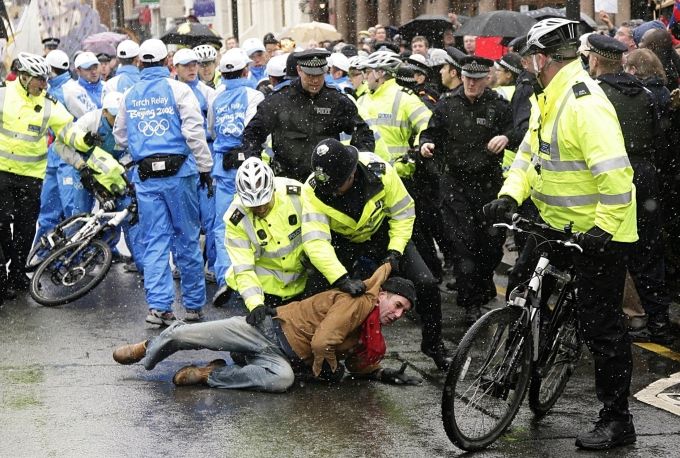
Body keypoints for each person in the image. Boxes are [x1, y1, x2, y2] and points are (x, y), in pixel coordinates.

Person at [483, 19, 637, 450]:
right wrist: (509, 196)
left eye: (531, 58)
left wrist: (602, 231)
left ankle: (617, 419)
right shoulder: (546, 98)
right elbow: (528, 155)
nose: (529, 64)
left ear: (541, 59)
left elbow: (617, 178)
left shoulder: (585, 104)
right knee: (522, 287)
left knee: (601, 328)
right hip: (555, 222)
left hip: (600, 232)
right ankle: (515, 366)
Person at [112, 263, 421, 390]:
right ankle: (147, 349)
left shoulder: (370, 329)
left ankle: (211, 373)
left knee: (281, 381)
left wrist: (379, 372)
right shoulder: (358, 302)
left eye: (403, 312)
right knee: (187, 334)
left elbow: (354, 361)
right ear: (381, 295)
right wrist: (326, 367)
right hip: (267, 329)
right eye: (396, 304)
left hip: (280, 357)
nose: (397, 314)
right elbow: (322, 342)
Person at [300, 139, 452, 370]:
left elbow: (403, 214)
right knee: (314, 291)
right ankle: (308, 351)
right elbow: (316, 241)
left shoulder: (380, 172)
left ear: (351, 175)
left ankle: (433, 345)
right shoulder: (313, 189)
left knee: (427, 283)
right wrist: (341, 279)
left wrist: (394, 252)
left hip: (384, 234)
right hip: (343, 241)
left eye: (335, 187)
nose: (331, 192)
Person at [113, 39, 214, 325]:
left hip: (146, 177)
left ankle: (159, 307)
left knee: (155, 241)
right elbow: (194, 132)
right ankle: (193, 306)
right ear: (167, 63)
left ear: (140, 63)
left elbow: (120, 136)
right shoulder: (179, 89)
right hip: (180, 175)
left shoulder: (130, 95)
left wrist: (143, 146)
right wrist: (205, 168)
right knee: (186, 238)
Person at [587, 34, 673, 345]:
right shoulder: (646, 94)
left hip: (612, 173)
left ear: (595, 61)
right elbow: (659, 140)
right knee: (648, 249)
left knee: (610, 248)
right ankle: (658, 318)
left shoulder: (594, 95)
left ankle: (614, 317)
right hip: (645, 173)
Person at [420, 56, 515, 324]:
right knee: (463, 244)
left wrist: (506, 137)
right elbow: (430, 133)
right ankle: (470, 301)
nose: (471, 84)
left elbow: (518, 130)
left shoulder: (498, 105)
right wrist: (426, 145)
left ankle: (482, 284)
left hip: (487, 185)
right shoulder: (447, 104)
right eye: (467, 78)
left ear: (487, 78)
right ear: (460, 77)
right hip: (455, 184)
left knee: (491, 244)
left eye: (477, 79)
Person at [0, 53, 98, 294]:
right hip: (2, 173)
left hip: (31, 176)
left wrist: (85, 140)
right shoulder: (4, 94)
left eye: (46, 80)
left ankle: (18, 274)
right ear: (24, 77)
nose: (44, 85)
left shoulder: (49, 103)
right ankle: (2, 272)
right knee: (1, 224)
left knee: (25, 227)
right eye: (39, 80)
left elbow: (68, 131)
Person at [238, 49, 375, 181]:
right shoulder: (279, 100)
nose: (315, 81)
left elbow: (363, 133)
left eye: (319, 75)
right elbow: (252, 135)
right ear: (299, 70)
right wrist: (255, 166)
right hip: (288, 181)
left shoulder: (336, 100)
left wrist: (352, 165)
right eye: (310, 75)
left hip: (327, 182)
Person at [213, 157, 307, 311]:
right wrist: (256, 305)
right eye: (254, 207)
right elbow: (244, 268)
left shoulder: (296, 194)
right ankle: (232, 282)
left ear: (273, 189)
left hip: (303, 275)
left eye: (264, 203)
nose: (261, 209)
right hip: (267, 285)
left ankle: (231, 282)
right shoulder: (235, 219)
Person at [207, 49, 265, 293]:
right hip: (250, 168)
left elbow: (211, 130)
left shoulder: (216, 98)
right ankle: (252, 281)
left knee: (223, 225)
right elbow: (257, 131)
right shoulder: (254, 96)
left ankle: (225, 278)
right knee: (254, 221)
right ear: (245, 71)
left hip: (223, 169)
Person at [173, 48, 218, 283]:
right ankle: (183, 265)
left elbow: (213, 128)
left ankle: (211, 264)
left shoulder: (208, 93)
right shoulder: (170, 91)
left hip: (205, 160)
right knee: (182, 219)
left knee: (210, 217)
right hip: (180, 163)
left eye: (195, 65)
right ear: (175, 68)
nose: (193, 69)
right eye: (187, 65)